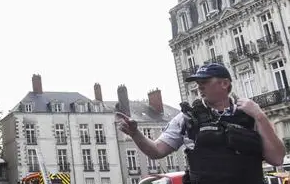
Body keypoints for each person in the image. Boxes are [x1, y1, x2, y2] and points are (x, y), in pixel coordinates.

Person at [116, 63, 285, 184]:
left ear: (224, 83)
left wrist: (260, 116)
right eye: (198, 84)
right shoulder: (187, 118)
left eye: (205, 82)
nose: (199, 87)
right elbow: (156, 151)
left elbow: (277, 158)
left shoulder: (249, 114)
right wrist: (135, 134)